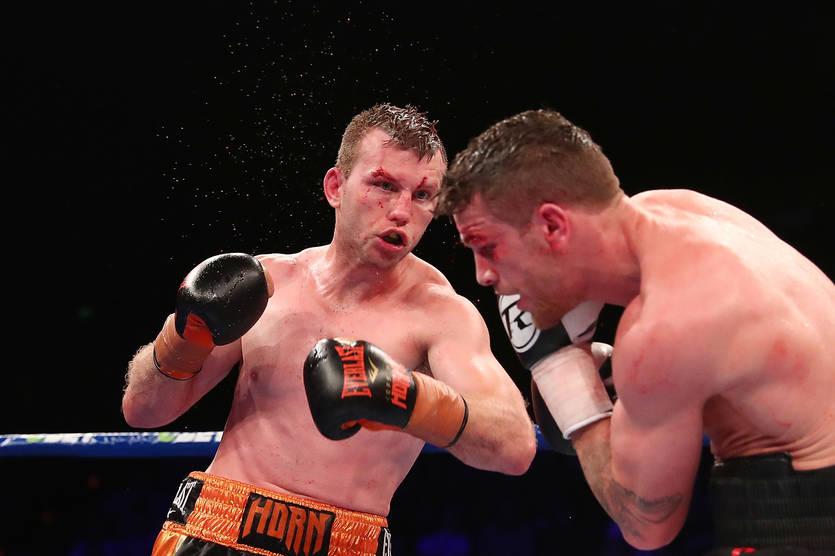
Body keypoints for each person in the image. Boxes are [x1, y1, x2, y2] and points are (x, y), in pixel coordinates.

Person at [122, 104, 537, 556]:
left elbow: (514, 445)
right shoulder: (267, 283)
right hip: (214, 528)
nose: (402, 211)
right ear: (336, 187)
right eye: (384, 185)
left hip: (346, 544)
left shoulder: (441, 315)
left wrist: (409, 397)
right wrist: (185, 337)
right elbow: (143, 410)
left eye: (422, 195)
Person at [435, 108, 835, 554]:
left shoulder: (666, 327)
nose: (483, 275)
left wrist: (562, 372)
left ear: (552, 225)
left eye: (487, 247)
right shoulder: (679, 209)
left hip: (802, 528)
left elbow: (645, 525)